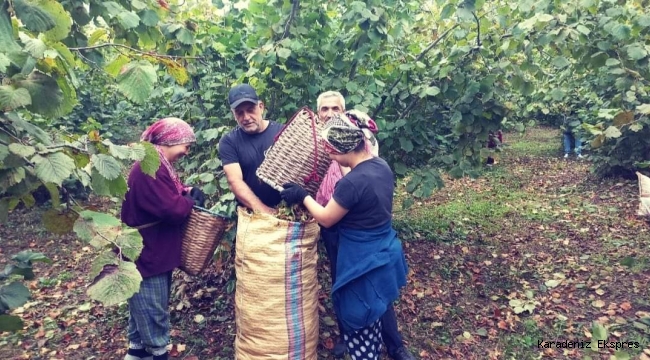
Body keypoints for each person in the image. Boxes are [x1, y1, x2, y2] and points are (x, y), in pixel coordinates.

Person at [280, 115, 410, 360]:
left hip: (362, 258)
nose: (329, 156)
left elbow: (327, 218)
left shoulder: (352, 182)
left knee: (360, 314)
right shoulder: (381, 165)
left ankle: (365, 354)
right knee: (377, 304)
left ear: (342, 149)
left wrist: (302, 196)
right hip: (383, 248)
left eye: (330, 151)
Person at [313, 91, 416, 360]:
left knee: (365, 291)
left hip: (355, 233)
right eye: (325, 109)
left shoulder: (354, 171)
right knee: (352, 286)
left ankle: (381, 345)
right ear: (318, 113)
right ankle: (352, 337)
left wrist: (299, 197)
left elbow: (333, 207)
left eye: (336, 108)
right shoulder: (378, 165)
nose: (330, 113)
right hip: (353, 233)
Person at [121, 117, 205, 360]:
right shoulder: (151, 166)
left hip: (151, 248)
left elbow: (168, 192)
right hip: (148, 252)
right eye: (185, 145)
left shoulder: (155, 163)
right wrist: (189, 202)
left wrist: (187, 192)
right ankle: (158, 355)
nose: (187, 152)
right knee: (152, 310)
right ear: (170, 140)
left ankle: (136, 354)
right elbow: (172, 209)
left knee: (141, 315)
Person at [218, 84, 283, 211]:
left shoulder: (283, 132)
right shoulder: (229, 141)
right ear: (233, 114)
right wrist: (264, 211)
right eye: (240, 113)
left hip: (288, 211)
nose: (246, 117)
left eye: (250, 110)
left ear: (261, 107)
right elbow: (234, 181)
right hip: (251, 215)